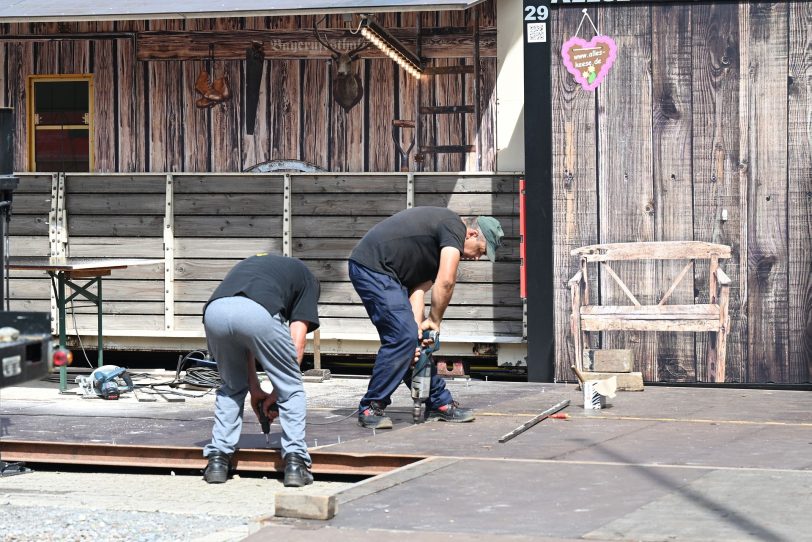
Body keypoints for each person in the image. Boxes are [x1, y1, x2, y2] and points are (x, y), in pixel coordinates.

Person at [348, 207, 504, 429]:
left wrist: (420, 329)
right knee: (402, 338)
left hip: (392, 278)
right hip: (373, 267)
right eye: (480, 251)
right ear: (472, 234)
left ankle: (439, 404)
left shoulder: (436, 251)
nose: (477, 258)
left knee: (413, 342)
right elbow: (447, 281)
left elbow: (417, 292)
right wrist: (435, 320)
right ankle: (370, 407)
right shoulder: (453, 226)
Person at [201, 253, 320, 487]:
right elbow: (298, 341)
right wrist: (279, 389)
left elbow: (243, 336)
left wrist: (254, 388)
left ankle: (218, 461)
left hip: (214, 312)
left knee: (231, 387)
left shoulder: (251, 265)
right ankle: (295, 462)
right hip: (259, 312)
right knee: (292, 388)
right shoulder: (308, 280)